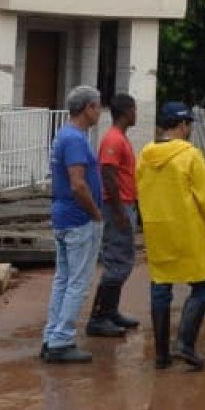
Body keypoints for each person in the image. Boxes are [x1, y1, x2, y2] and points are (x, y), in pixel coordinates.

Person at [136, 101, 205, 371]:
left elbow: (139, 191)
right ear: (181, 125)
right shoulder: (190, 156)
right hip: (188, 231)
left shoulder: (144, 155)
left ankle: (162, 354)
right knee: (202, 286)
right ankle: (185, 343)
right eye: (188, 124)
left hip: (157, 231)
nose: (189, 130)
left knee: (160, 286)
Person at [41, 85, 105, 364]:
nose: (99, 112)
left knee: (64, 280)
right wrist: (96, 214)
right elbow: (78, 184)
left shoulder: (65, 135)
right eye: (97, 106)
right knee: (77, 282)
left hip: (64, 215)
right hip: (79, 218)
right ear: (88, 108)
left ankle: (52, 335)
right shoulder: (76, 140)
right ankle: (61, 339)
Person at [86, 92, 141, 338]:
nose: (136, 114)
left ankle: (110, 312)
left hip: (124, 205)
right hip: (116, 207)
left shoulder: (120, 138)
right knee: (118, 261)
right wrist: (119, 211)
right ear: (127, 111)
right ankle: (99, 317)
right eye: (134, 110)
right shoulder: (113, 140)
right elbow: (107, 174)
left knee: (124, 259)